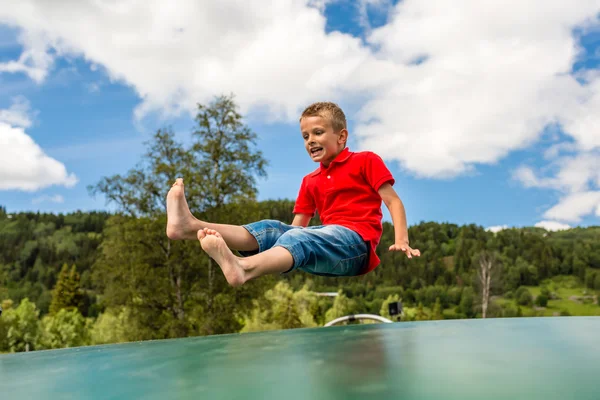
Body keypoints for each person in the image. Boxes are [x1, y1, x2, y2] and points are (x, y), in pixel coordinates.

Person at [166, 102, 420, 287]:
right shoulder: (310, 181)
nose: (310, 140)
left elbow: (393, 201)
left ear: (341, 136)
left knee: (300, 237)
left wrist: (402, 239)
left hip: (355, 248)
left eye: (318, 133)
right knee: (271, 229)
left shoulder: (365, 161)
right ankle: (190, 227)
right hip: (324, 244)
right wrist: (276, 247)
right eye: (305, 136)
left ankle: (243, 268)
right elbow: (294, 229)